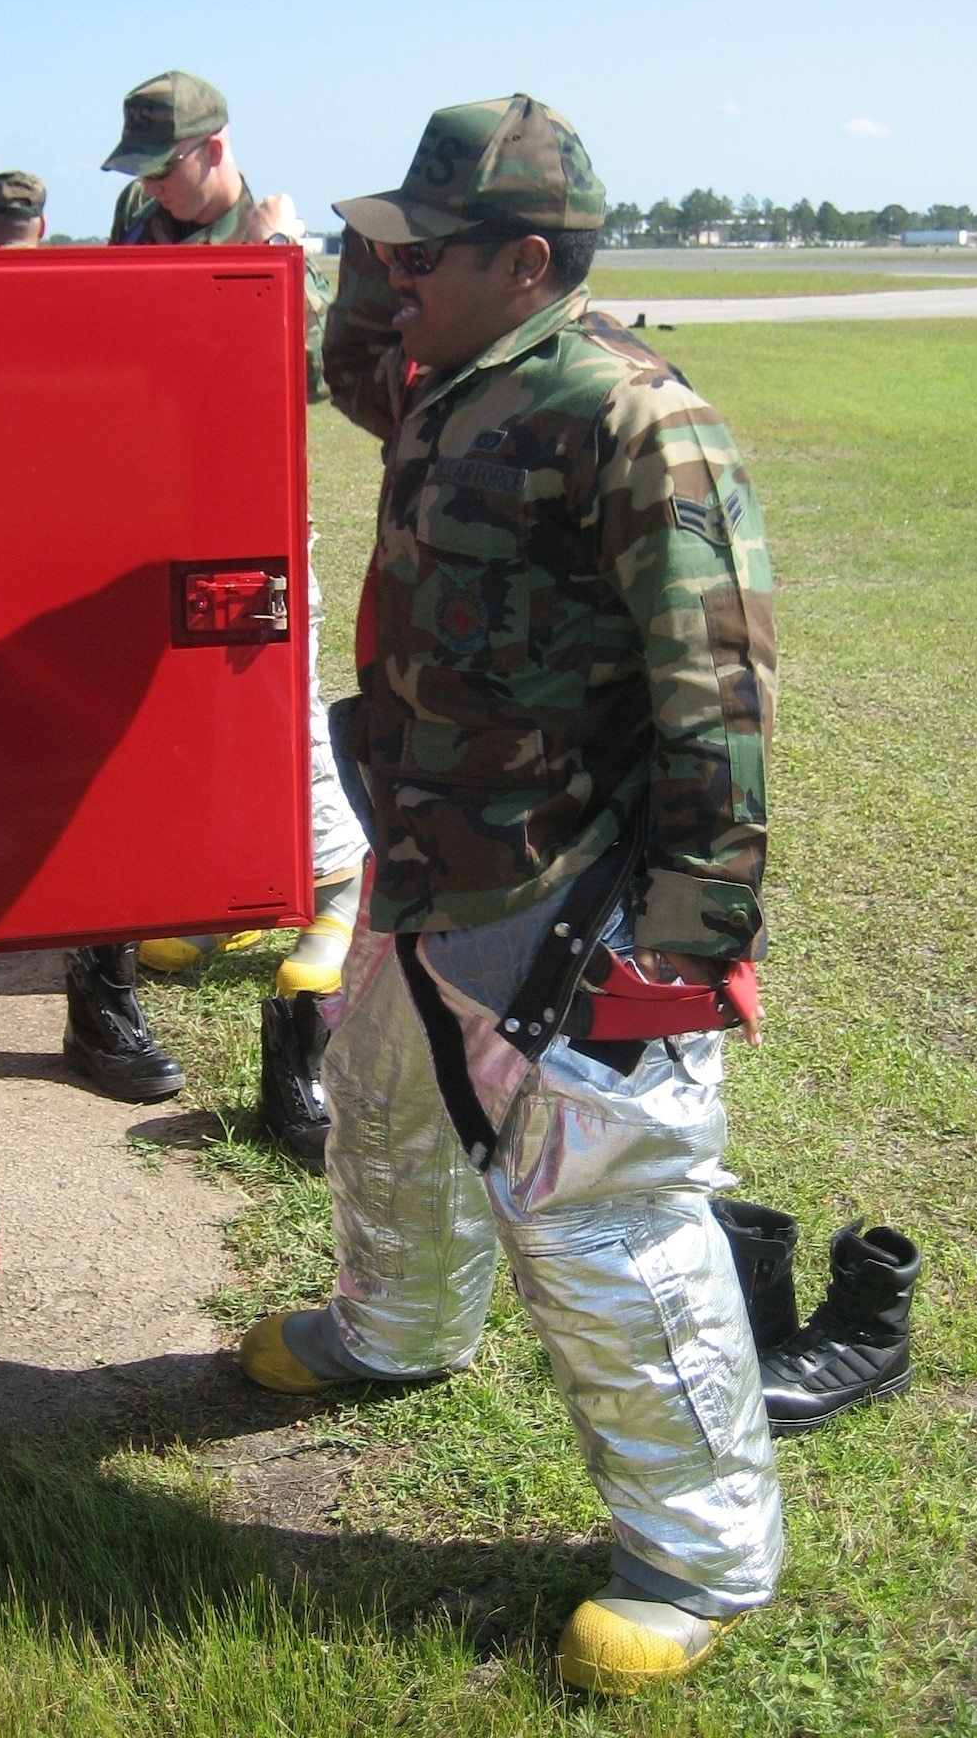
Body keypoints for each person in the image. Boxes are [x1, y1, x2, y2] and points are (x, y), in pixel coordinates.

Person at [238, 95, 784, 1691]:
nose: (400, 273)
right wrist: (361, 253)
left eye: (430, 246)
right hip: (422, 862)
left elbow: (719, 679)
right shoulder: (447, 379)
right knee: (386, 1114)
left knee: (609, 1221)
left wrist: (693, 924)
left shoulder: (632, 416)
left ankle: (698, 1553)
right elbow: (351, 371)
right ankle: (394, 1330)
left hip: (566, 890)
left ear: (526, 259)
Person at [61, 72, 368, 1103]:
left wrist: (280, 265)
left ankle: (334, 893)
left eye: (163, 167)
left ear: (214, 149)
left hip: (253, 519)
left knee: (279, 711)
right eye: (137, 170)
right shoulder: (137, 222)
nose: (149, 187)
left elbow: (317, 378)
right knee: (172, 721)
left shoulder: (271, 231)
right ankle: (213, 888)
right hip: (153, 514)